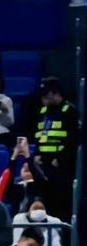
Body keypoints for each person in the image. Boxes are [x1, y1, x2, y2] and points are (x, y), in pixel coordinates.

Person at [30, 77, 79, 222]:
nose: (44, 98)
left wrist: (60, 158)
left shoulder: (69, 111)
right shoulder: (42, 111)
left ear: (55, 93)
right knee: (45, 203)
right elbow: (40, 134)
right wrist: (37, 154)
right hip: (43, 166)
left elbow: (72, 139)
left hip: (61, 167)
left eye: (46, 95)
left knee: (60, 206)